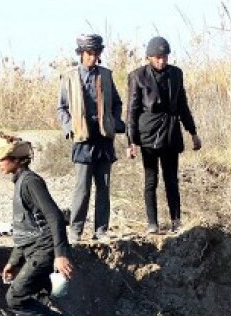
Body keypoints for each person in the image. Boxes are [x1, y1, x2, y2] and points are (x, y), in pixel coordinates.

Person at [0, 133, 82, 316]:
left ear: (16, 160)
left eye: (2, 160)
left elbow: (54, 217)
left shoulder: (30, 182)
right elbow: (25, 228)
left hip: (43, 251)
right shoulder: (20, 182)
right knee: (39, 298)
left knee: (15, 298)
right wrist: (14, 261)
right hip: (33, 250)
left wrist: (61, 254)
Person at [126, 36, 201, 235]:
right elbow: (132, 111)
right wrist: (131, 141)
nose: (162, 61)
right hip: (148, 132)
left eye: (165, 57)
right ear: (150, 57)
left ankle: (176, 220)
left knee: (171, 179)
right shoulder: (137, 76)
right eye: (158, 57)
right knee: (151, 179)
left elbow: (183, 105)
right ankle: (152, 223)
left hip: (170, 131)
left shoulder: (176, 74)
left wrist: (193, 132)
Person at [58, 33, 124, 242]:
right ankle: (76, 230)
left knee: (103, 187)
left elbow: (117, 102)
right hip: (82, 137)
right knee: (82, 188)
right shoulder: (69, 76)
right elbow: (61, 108)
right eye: (89, 54)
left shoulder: (106, 75)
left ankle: (101, 230)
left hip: (103, 136)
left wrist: (113, 121)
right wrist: (69, 126)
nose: (92, 58)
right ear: (81, 54)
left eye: (96, 54)